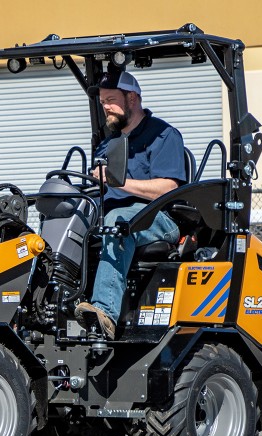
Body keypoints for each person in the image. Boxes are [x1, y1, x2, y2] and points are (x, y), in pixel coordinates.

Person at [73, 70, 188, 338]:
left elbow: (168, 188)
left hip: (158, 218)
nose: (106, 108)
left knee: (117, 223)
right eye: (103, 102)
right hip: (114, 214)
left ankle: (105, 312)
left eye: (111, 100)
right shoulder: (107, 145)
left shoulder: (163, 135)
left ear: (132, 99)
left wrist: (118, 182)